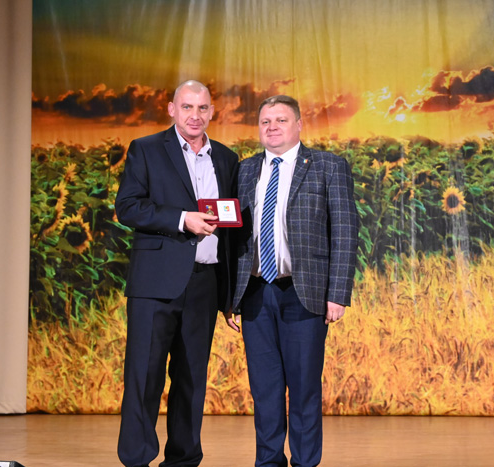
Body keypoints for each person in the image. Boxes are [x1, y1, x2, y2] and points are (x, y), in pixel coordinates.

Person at [226, 95, 359, 467]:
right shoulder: (244, 170)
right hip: (255, 293)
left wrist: (338, 294)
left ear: (299, 125)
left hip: (305, 294)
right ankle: (268, 462)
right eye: (265, 121)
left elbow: (346, 232)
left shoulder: (328, 166)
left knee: (303, 390)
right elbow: (233, 238)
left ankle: (305, 462)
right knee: (264, 391)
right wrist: (230, 296)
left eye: (281, 120)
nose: (272, 127)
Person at [115, 80, 238, 467]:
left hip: (205, 283)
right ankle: (137, 458)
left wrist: (230, 294)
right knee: (145, 376)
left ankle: (183, 460)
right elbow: (128, 207)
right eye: (187, 107)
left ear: (212, 112)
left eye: (202, 108)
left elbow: (231, 229)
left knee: (191, 378)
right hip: (155, 283)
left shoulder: (227, 158)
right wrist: (183, 219)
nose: (194, 115)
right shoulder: (146, 149)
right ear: (171, 109)